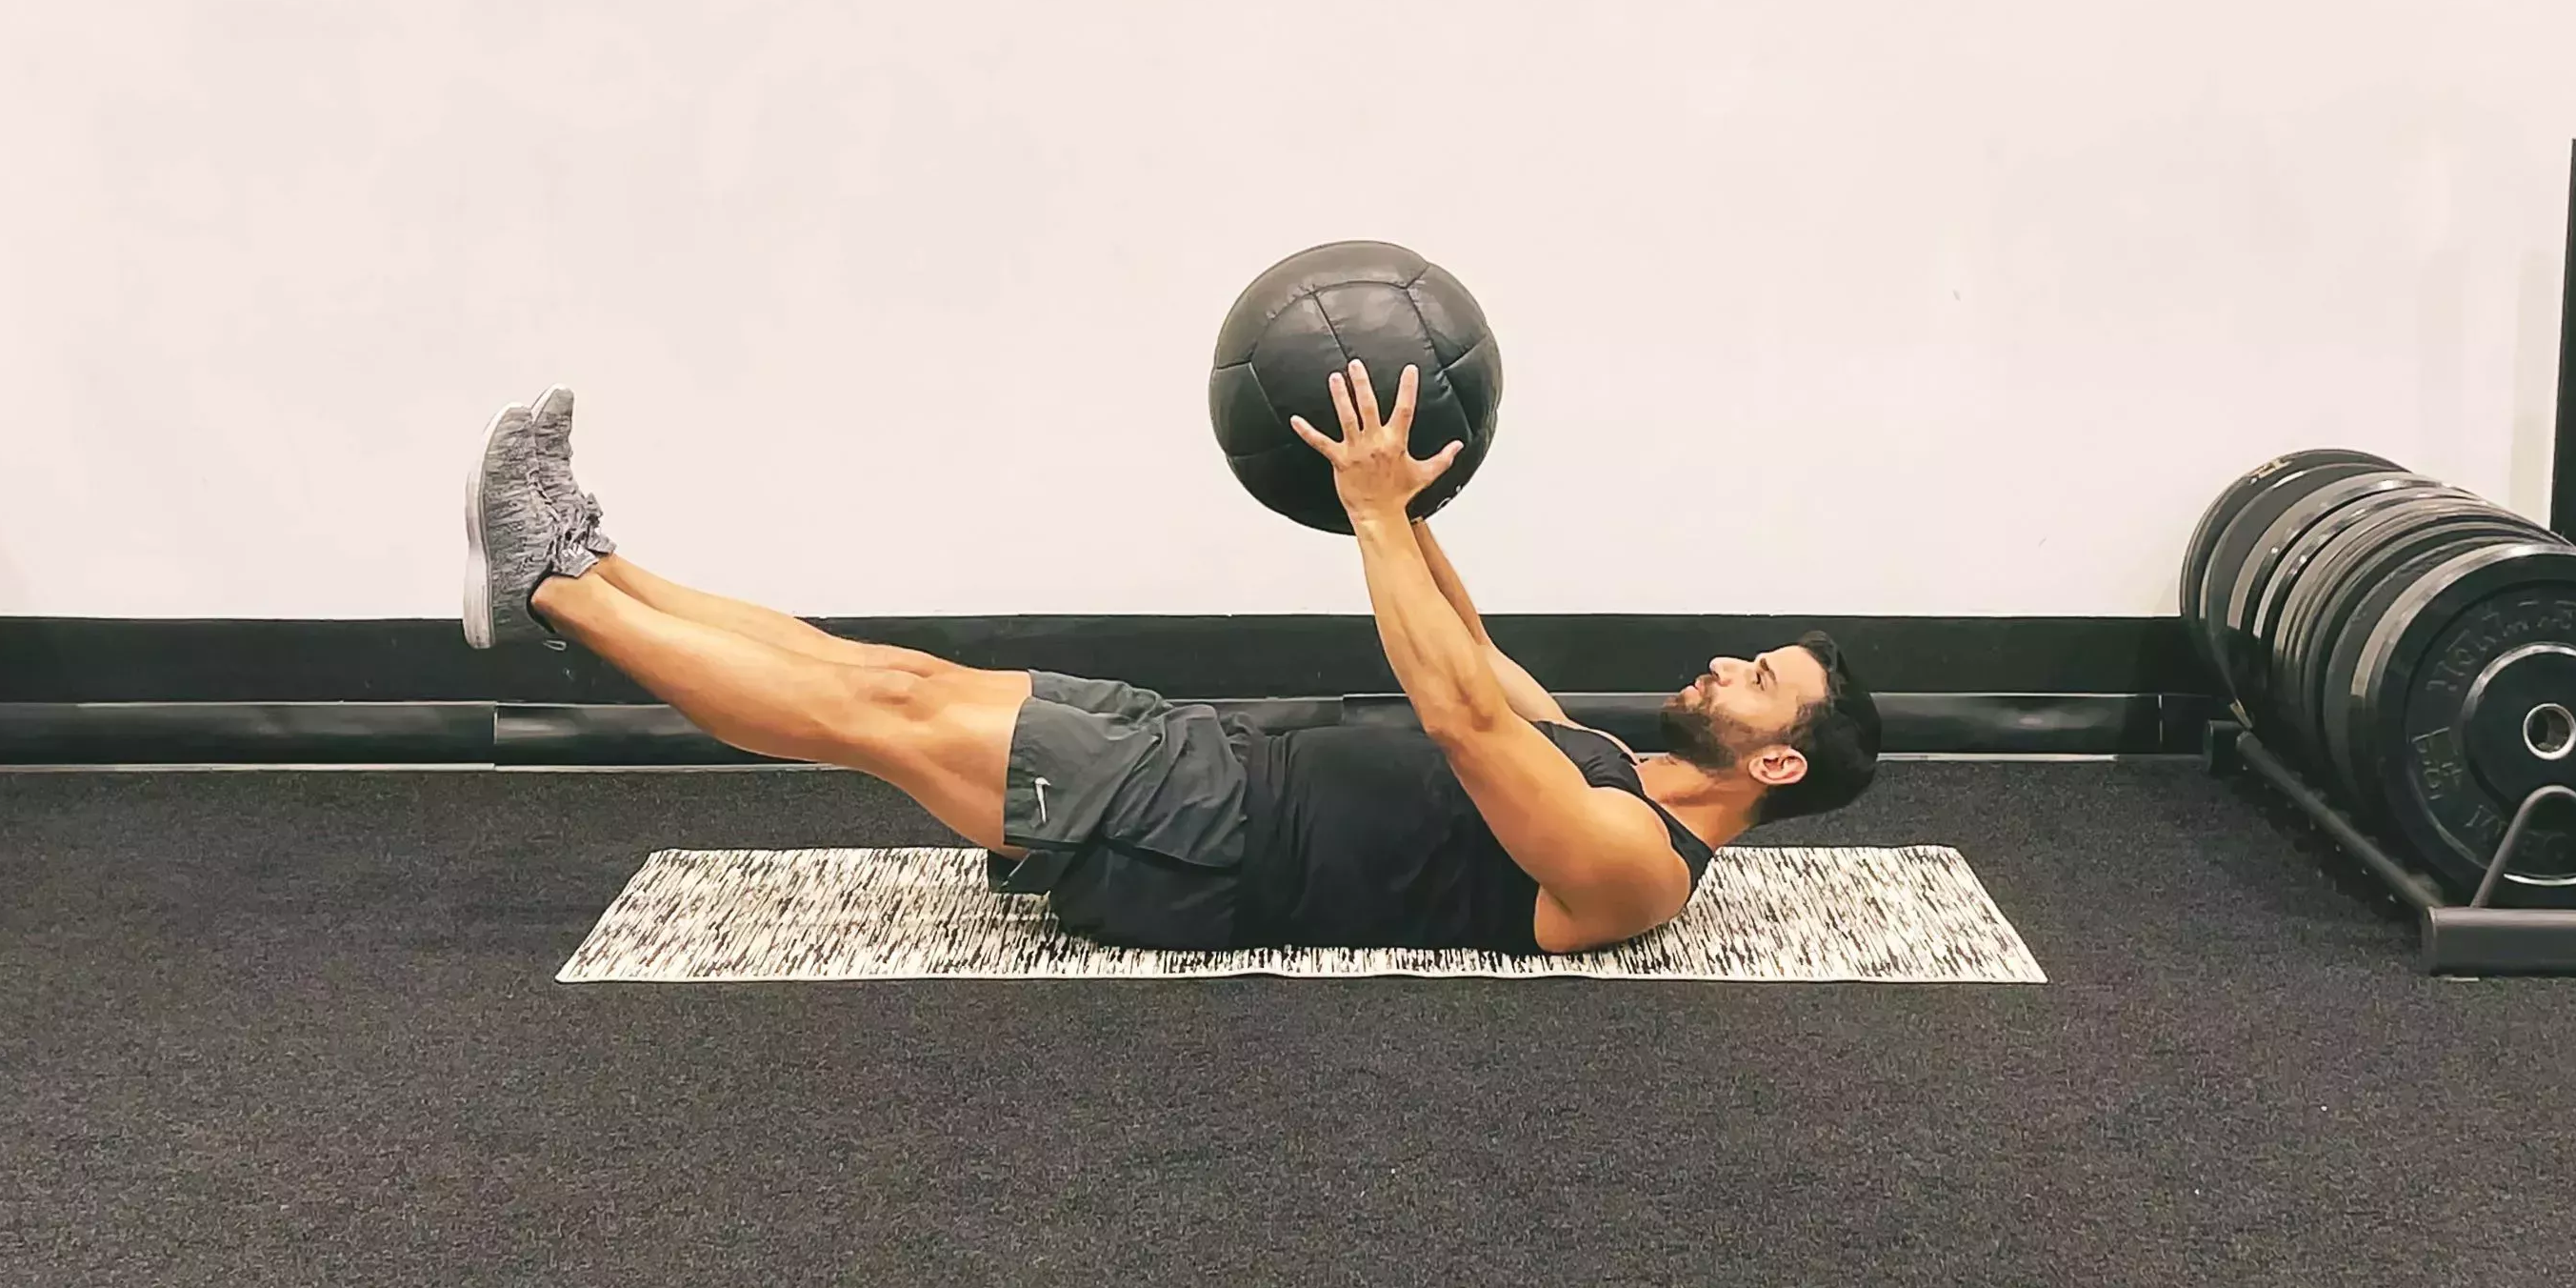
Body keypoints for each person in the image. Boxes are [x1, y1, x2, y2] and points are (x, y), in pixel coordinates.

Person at [464, 361, 1882, 954]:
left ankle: (552, 600)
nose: (1718, 667)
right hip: (1208, 760)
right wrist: (1408, 503)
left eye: (1754, 681)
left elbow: (1458, 719)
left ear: (1775, 760)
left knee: (876, 714)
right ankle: (588, 562)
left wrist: (1376, 516)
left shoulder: (1636, 872)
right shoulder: (1623, 766)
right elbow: (1477, 654)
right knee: (890, 671)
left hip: (1197, 840)